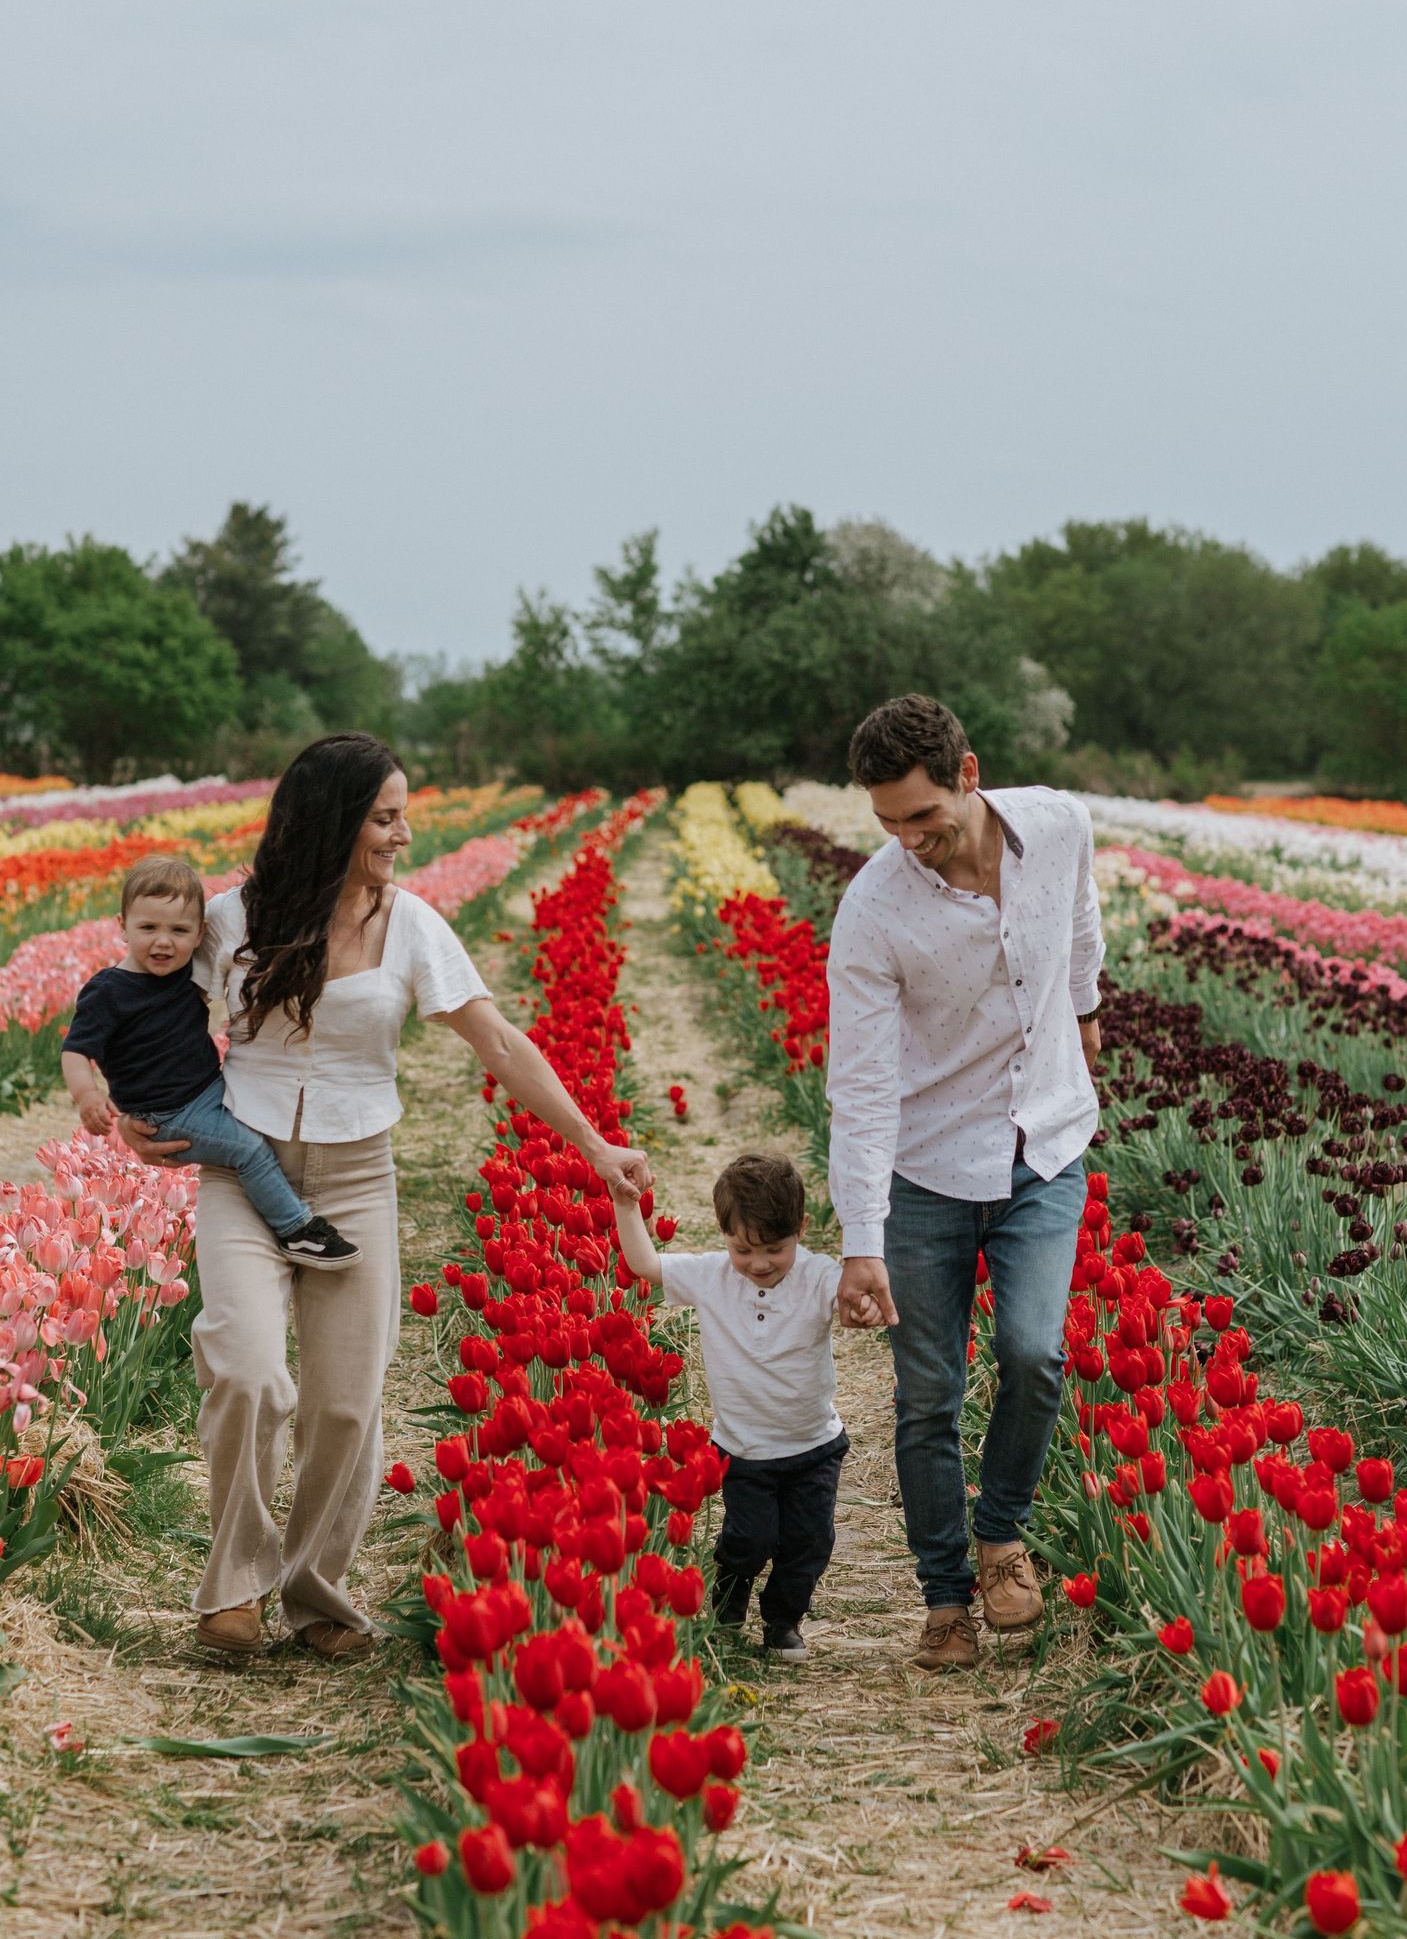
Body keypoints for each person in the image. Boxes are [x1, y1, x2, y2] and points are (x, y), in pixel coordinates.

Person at [117, 733, 653, 1664]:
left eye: (403, 814)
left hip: (357, 1176)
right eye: (386, 816)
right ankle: (234, 1584)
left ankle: (316, 1591)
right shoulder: (233, 918)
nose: (405, 834)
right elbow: (153, 1006)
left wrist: (594, 1144)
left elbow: (498, 1043)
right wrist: (133, 1111)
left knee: (345, 1404)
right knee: (245, 1369)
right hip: (246, 1170)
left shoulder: (413, 926)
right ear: (334, 822)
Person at [826, 694, 1104, 1670]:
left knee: (1032, 1353)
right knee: (927, 1393)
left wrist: (1085, 1008)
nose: (907, 839)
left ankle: (1003, 1537)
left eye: (922, 816)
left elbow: (1075, 920)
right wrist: (862, 1237)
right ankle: (945, 1597)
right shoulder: (875, 911)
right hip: (929, 1167)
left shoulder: (1059, 824)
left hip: (1046, 1144)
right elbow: (857, 1086)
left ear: (968, 775)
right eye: (888, 823)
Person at [610, 1151, 857, 1661]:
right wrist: (625, 1205)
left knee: (809, 1544)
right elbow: (644, 1264)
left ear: (801, 1229)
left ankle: (783, 1621)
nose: (759, 1263)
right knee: (749, 1538)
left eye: (775, 1248)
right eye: (743, 1249)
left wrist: (866, 1302)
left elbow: (852, 1299)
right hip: (742, 1448)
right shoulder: (711, 1276)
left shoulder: (819, 1276)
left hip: (813, 1444)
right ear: (723, 1234)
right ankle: (727, 1601)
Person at [62, 856, 360, 1270]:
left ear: (200, 934)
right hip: (168, 1113)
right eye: (148, 928)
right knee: (249, 1150)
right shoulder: (109, 991)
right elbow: (75, 1050)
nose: (163, 942)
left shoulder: (186, 975)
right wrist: (87, 1094)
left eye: (179, 930)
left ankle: (278, 1209)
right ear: (122, 925)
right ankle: (296, 1231)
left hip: (206, 1089)